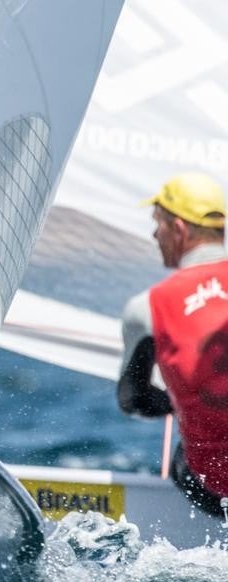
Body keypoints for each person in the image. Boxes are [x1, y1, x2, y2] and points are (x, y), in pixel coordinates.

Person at [117, 172, 228, 514]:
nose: (154, 235)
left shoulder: (147, 307)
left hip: (215, 486)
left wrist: (180, 401)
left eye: (158, 224)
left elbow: (132, 400)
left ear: (179, 229)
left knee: (184, 458)